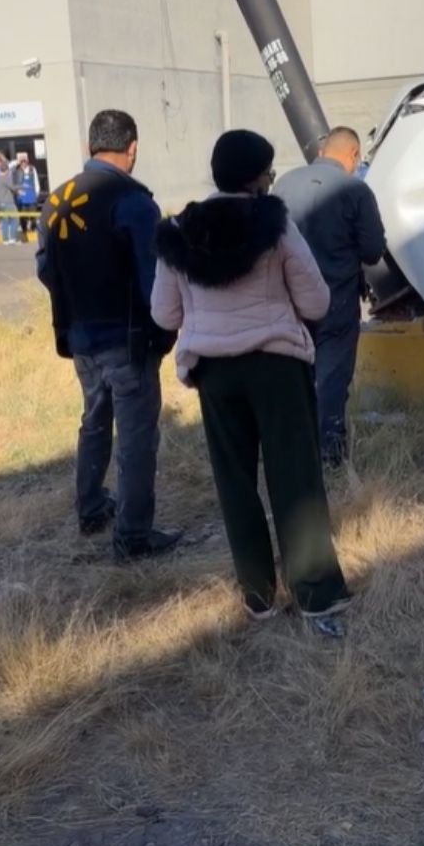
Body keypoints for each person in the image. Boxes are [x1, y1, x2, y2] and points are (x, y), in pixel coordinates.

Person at [151, 129, 350, 621]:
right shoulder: (275, 226)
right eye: (268, 171)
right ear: (257, 176)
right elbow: (316, 301)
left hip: (214, 375)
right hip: (277, 367)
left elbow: (163, 315)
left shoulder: (179, 232)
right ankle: (316, 594)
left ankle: (257, 596)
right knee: (296, 478)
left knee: (235, 482)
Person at [36, 109, 179, 561]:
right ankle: (134, 535)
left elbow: (45, 268)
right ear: (132, 147)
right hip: (127, 337)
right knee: (137, 436)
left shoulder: (56, 199)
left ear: (91, 145)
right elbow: (151, 274)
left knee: (94, 421)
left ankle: (92, 508)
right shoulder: (133, 202)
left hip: (78, 335)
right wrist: (164, 332)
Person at [276, 126, 386, 466]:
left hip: (288, 302)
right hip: (335, 301)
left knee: (294, 377)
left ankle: (292, 449)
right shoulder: (355, 190)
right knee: (332, 378)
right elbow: (372, 251)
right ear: (353, 155)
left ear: (323, 151)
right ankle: (329, 454)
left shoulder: (284, 184)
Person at [12, 152, 41, 242]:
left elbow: (36, 182)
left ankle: (33, 228)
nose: (23, 163)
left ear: (27, 161)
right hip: (21, 197)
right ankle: (24, 230)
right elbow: (8, 167)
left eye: (25, 161)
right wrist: (16, 161)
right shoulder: (16, 170)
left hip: (31, 196)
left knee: (33, 215)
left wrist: (37, 193)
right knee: (23, 216)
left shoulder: (32, 169)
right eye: (22, 161)